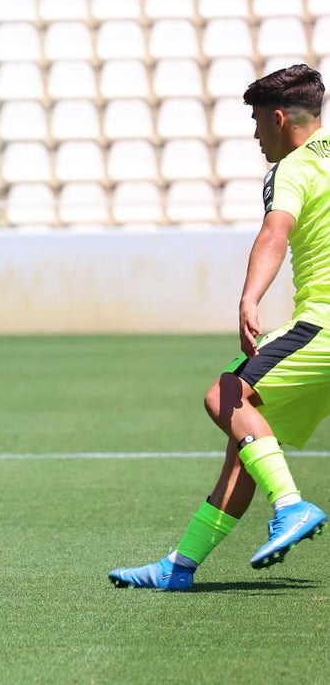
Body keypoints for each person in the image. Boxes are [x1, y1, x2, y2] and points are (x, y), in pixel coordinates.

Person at [110, 64, 329, 591]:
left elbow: (275, 233)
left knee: (224, 394)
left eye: (257, 124)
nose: (256, 137)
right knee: (247, 438)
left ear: (279, 118)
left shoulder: (293, 169)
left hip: (322, 323)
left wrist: (249, 297)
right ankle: (178, 568)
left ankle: (292, 506)